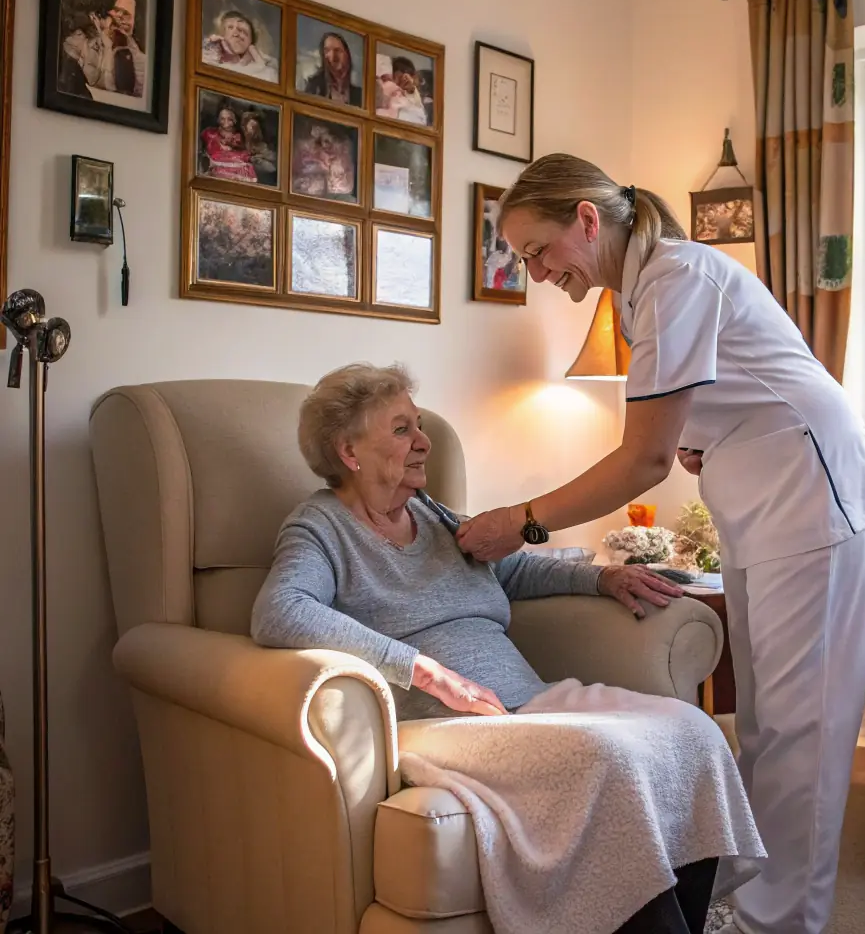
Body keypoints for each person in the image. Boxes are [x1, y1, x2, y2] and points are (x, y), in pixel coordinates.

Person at [455, 153, 865, 934]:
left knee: (807, 739)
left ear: (587, 220)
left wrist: (522, 519)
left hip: (813, 508)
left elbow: (643, 459)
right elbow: (706, 411)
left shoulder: (678, 277)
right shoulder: (639, 297)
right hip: (764, 507)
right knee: (764, 730)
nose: (535, 273)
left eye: (537, 251)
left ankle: (785, 923)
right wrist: (702, 434)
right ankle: (761, 908)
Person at [250, 362, 765, 934]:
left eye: (418, 425)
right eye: (402, 430)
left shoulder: (435, 515)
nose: (424, 442)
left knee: (691, 733)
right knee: (606, 756)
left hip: (530, 702)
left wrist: (602, 579)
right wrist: (423, 670)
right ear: (349, 452)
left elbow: (513, 571)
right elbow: (281, 611)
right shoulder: (321, 526)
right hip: (446, 724)